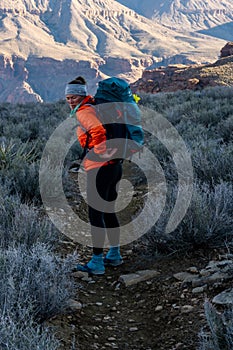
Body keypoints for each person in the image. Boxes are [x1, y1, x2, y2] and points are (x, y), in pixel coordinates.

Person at [65, 76, 123, 275]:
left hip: (100, 167)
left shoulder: (85, 111)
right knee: (108, 209)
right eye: (68, 98)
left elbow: (98, 130)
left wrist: (97, 155)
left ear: (81, 95)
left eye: (73, 97)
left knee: (95, 213)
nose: (70, 101)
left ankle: (97, 262)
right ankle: (114, 255)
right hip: (115, 165)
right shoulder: (96, 106)